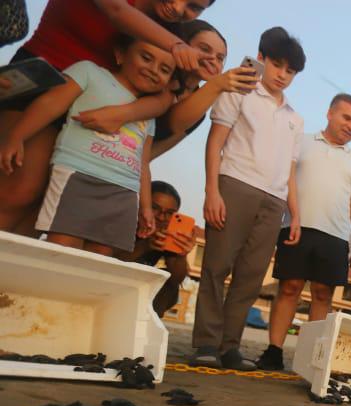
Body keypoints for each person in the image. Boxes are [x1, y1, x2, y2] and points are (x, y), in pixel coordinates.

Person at [0, 0, 212, 235]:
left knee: (46, 205)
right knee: (20, 189)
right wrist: (177, 46)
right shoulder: (171, 39)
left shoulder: (169, 29)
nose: (179, 8)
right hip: (41, 81)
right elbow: (117, 11)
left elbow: (164, 96)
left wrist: (122, 114)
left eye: (194, 6)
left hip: (93, 112)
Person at [190, 26, 305, 371]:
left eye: (291, 71)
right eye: (277, 65)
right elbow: (215, 143)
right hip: (235, 184)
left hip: (274, 201)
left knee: (251, 276)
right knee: (216, 266)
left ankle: (230, 347)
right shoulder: (239, 90)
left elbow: (289, 170)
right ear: (262, 58)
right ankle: (205, 345)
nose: (283, 75)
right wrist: (212, 190)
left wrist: (294, 215)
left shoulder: (295, 119)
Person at [0, 34, 176, 255]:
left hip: (124, 191)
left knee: (100, 257)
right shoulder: (90, 72)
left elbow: (143, 162)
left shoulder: (149, 112)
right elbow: (50, 103)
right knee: (63, 247)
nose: (153, 69)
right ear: (120, 54)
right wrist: (17, 136)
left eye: (165, 69)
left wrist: (147, 206)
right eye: (146, 57)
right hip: (77, 175)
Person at [256, 93, 351, 371]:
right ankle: (274, 350)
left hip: (336, 235)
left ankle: (309, 357)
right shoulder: (301, 142)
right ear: (329, 113)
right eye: (347, 118)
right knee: (289, 288)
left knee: (322, 295)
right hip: (296, 226)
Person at [150, 20, 258, 159]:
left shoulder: (199, 114)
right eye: (205, 49)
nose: (213, 59)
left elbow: (153, 152)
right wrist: (217, 84)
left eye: (220, 58)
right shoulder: (156, 77)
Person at [126, 180, 194, 316]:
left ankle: (147, 321)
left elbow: (177, 279)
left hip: (140, 289)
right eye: (155, 208)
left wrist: (181, 254)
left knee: (167, 280)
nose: (162, 217)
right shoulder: (127, 220)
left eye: (169, 213)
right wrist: (145, 246)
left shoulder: (166, 234)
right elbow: (110, 261)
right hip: (113, 283)